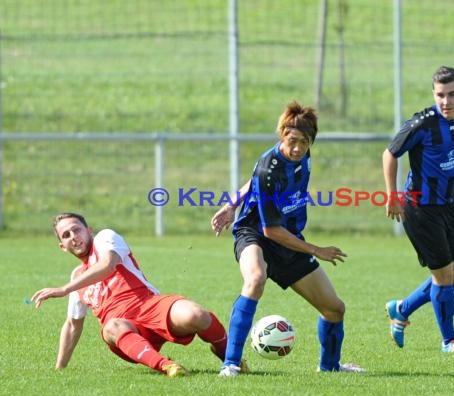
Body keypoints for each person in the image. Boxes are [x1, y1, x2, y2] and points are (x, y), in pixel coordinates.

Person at [210, 101, 364, 376]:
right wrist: (317, 249)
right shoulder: (270, 169)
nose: (297, 148)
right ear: (282, 136)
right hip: (256, 233)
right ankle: (231, 363)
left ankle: (330, 367)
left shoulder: (302, 158)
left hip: (288, 238)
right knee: (256, 279)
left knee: (334, 309)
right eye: (291, 141)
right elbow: (270, 230)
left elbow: (252, 183)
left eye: (304, 142)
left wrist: (232, 203)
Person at [31, 212, 235, 377]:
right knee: (111, 326)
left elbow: (107, 265)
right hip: (126, 330)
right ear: (62, 247)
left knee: (195, 314)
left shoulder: (105, 238)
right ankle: (167, 366)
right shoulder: (77, 276)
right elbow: (73, 325)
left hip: (149, 305)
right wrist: (59, 369)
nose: (73, 237)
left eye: (76, 229)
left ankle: (230, 358)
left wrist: (64, 289)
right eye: (66, 235)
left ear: (89, 230)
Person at [382, 66, 454, 352]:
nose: (446, 101)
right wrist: (391, 195)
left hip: (445, 206)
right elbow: (390, 154)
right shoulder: (422, 124)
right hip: (418, 207)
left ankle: (402, 309)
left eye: (452, 94)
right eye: (440, 95)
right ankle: (449, 340)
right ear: (434, 94)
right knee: (443, 276)